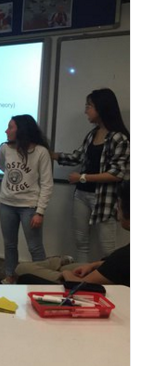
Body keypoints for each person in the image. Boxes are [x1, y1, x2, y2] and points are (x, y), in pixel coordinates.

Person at [52, 88, 130, 262]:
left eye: (89, 106)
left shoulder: (119, 138)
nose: (85, 111)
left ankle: (107, 278)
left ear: (101, 108)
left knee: (108, 249)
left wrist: (82, 177)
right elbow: (77, 157)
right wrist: (50, 154)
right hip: (81, 195)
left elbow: (116, 174)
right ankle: (81, 275)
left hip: (104, 199)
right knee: (81, 243)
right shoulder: (92, 134)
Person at [16, 180, 130, 286]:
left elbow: (79, 284)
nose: (117, 210)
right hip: (98, 270)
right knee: (68, 267)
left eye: (118, 205)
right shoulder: (121, 257)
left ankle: (57, 262)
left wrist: (66, 274)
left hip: (76, 286)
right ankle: (58, 263)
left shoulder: (122, 257)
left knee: (22, 269)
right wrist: (93, 265)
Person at [0, 115, 54, 283]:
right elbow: (1, 165)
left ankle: (42, 280)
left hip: (30, 207)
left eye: (10, 127)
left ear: (21, 130)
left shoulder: (40, 152)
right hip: (7, 204)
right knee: (9, 245)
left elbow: (47, 184)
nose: (6, 131)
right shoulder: (5, 149)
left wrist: (40, 212)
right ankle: (10, 276)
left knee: (35, 247)